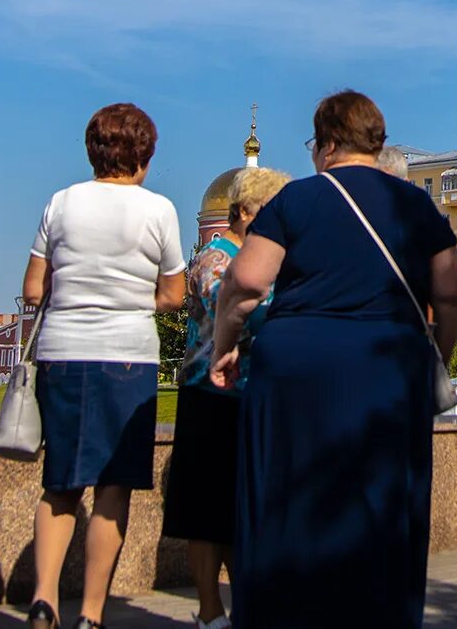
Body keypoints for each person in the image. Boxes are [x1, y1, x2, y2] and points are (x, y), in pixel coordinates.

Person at [211, 90, 457, 629]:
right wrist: (434, 359)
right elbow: (451, 294)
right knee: (384, 507)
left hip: (295, 375)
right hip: (388, 372)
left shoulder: (297, 200)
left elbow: (246, 283)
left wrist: (225, 345)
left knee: (286, 502)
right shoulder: (415, 204)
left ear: (326, 144)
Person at [22, 104, 187, 629]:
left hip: (63, 352)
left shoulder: (61, 202)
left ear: (92, 150)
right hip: (127, 356)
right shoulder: (158, 210)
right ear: (145, 154)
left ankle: (44, 597)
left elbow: (32, 288)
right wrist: (135, 297)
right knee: (112, 488)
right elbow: (174, 293)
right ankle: (92, 613)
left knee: (61, 482)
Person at [163, 165, 290, 629]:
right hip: (210, 390)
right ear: (243, 212)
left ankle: (244, 602)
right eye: (267, 209)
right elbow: (230, 308)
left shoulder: (267, 260)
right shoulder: (217, 258)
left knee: (237, 505)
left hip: (250, 390)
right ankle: (209, 607)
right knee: (206, 506)